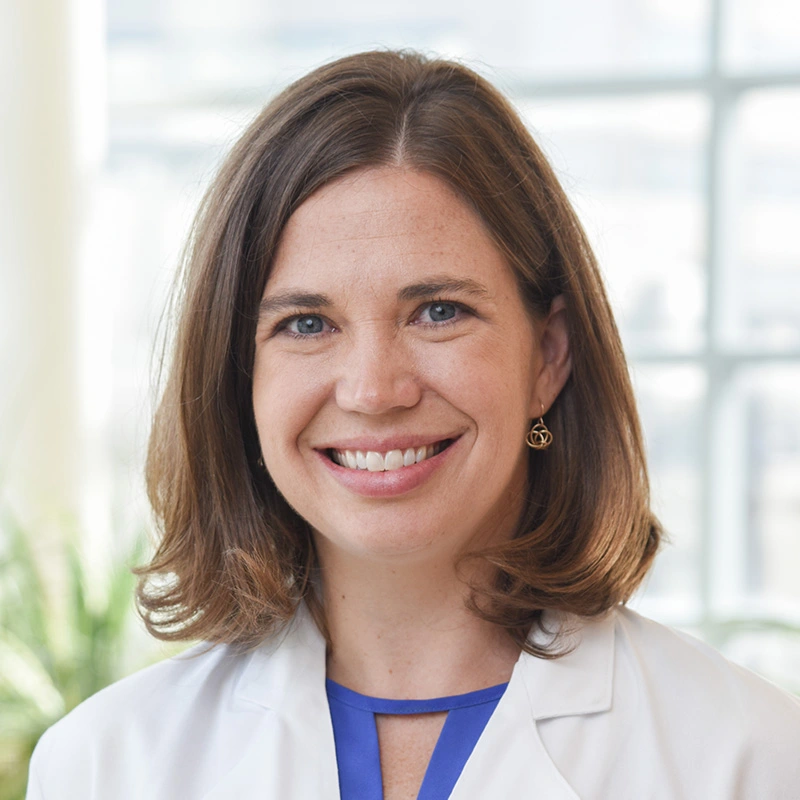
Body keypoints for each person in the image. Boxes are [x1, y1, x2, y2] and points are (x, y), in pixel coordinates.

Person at [27, 50, 800, 800]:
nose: (373, 390)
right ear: (240, 378)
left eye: (438, 312)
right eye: (306, 324)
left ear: (548, 356)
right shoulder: (101, 767)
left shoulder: (749, 760)